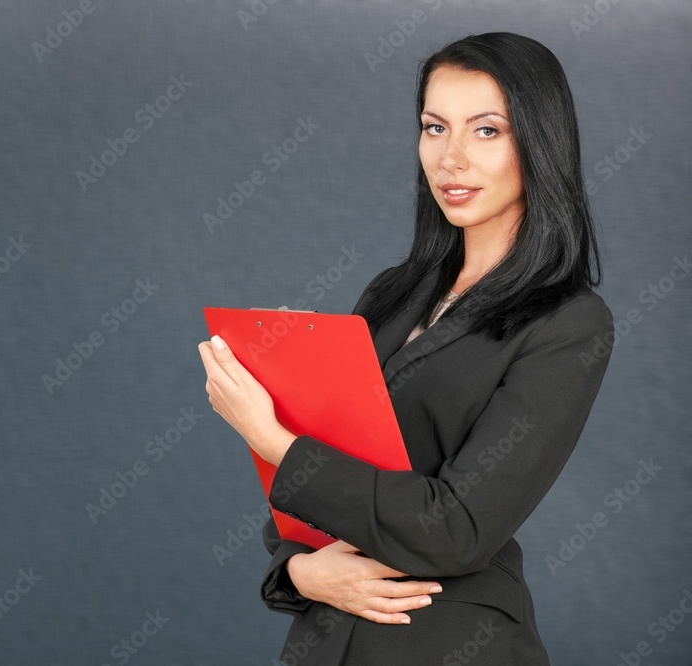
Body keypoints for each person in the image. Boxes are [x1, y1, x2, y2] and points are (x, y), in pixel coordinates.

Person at [197, 32, 614, 664]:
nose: (451, 158)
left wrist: (273, 440)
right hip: (329, 638)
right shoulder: (393, 294)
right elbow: (318, 495)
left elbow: (458, 529)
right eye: (434, 126)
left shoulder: (568, 323)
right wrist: (300, 572)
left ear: (540, 142)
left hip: (447, 641)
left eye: (486, 131)